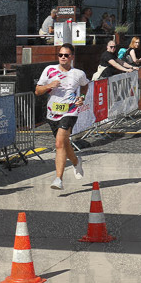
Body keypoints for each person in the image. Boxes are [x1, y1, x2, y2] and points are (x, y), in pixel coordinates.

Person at [35, 44, 88, 191]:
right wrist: (49, 85)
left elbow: (85, 86)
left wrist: (81, 97)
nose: (63, 57)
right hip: (52, 113)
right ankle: (77, 162)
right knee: (64, 144)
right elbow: (38, 91)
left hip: (70, 111)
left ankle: (58, 179)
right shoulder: (49, 70)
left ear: (72, 57)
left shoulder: (78, 73)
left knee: (59, 143)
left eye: (66, 55)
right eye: (60, 55)